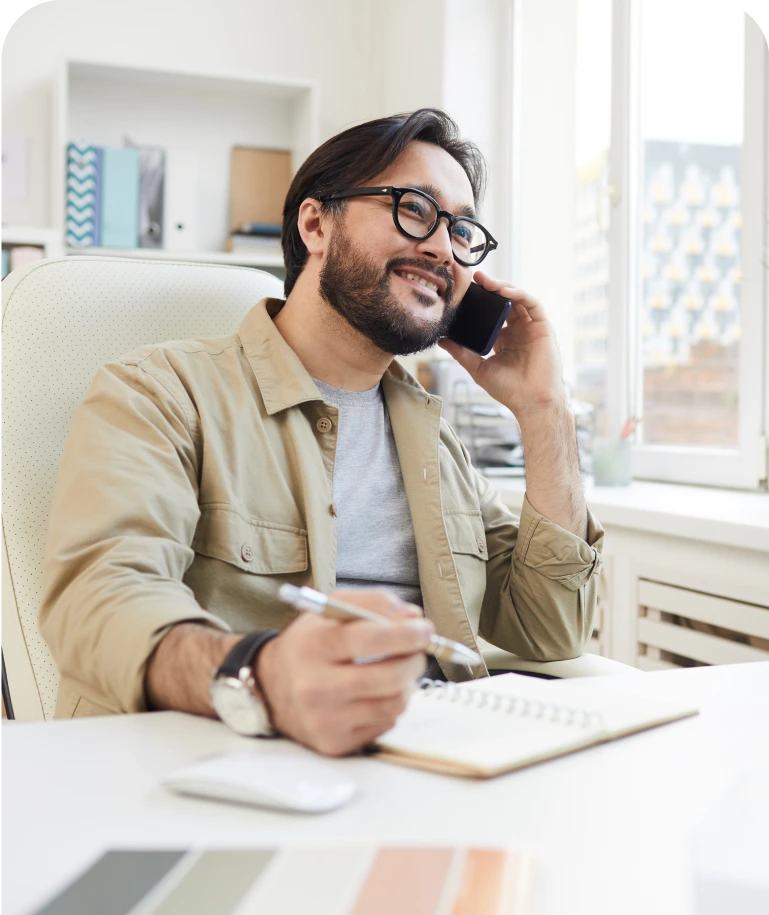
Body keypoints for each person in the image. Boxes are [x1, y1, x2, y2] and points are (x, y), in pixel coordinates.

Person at [40, 109, 604, 756]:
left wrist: (544, 408)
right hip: (227, 765)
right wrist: (264, 676)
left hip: (435, 767)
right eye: (415, 209)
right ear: (315, 223)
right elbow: (99, 600)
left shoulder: (435, 443)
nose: (444, 248)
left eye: (462, 229)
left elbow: (551, 625)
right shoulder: (159, 392)